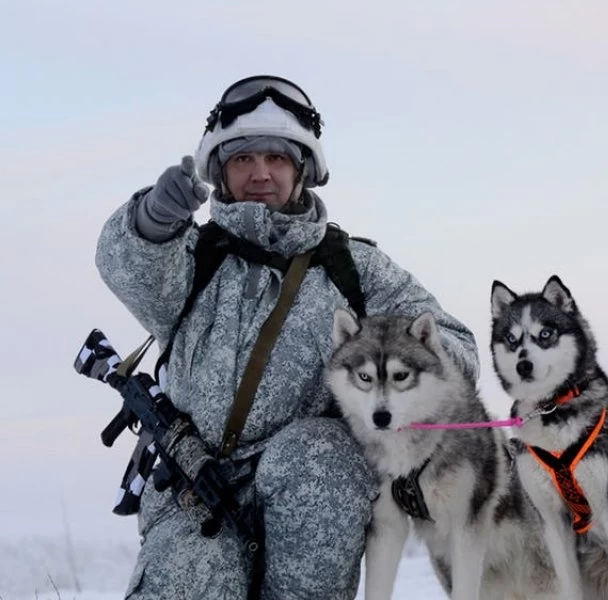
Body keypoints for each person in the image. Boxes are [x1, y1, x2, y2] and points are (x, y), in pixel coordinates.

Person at [94, 74, 478, 599]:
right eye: (243, 160)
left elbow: (456, 347)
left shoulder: (354, 269)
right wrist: (153, 219)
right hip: (192, 484)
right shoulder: (192, 258)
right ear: (221, 172)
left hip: (310, 484)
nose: (260, 174)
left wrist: (405, 364)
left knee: (323, 452)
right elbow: (130, 268)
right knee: (198, 577)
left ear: (302, 173)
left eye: (276, 160)